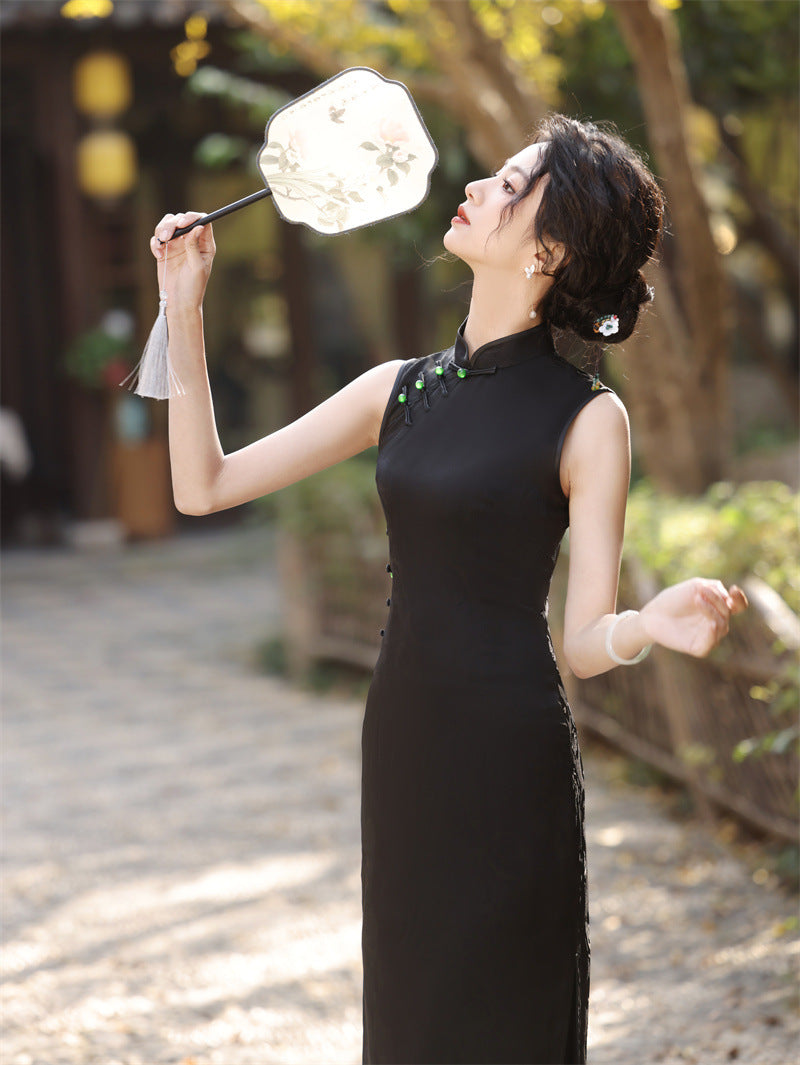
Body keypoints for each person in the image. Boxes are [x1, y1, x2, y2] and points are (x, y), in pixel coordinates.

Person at [151, 112, 748, 1065]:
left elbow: (583, 641)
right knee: (413, 1018)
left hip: (512, 758)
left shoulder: (590, 416)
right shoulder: (398, 389)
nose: (476, 189)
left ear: (549, 248)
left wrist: (648, 620)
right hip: (405, 740)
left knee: (507, 1013)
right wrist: (184, 308)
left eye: (508, 185)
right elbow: (204, 484)